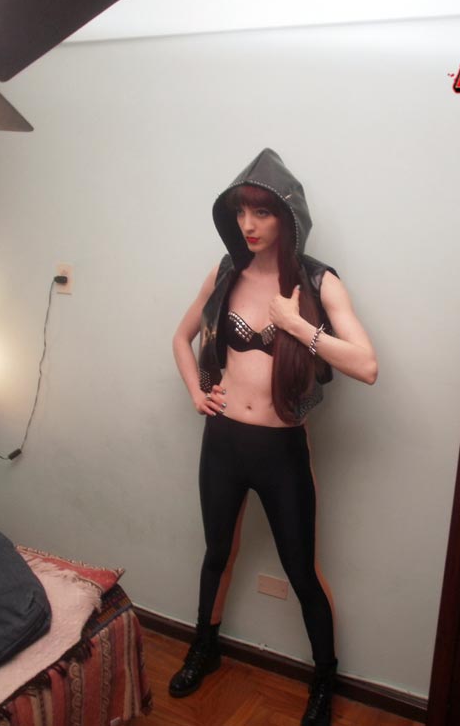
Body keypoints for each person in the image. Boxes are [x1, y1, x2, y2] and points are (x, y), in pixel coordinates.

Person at [171, 148, 377, 726]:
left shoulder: (318, 281)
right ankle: (204, 647)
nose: (249, 224)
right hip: (223, 443)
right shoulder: (225, 272)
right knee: (217, 553)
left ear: (287, 217)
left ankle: (323, 680)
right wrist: (196, 393)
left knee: (301, 571)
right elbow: (180, 338)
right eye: (241, 211)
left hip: (280, 451)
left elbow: (366, 365)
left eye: (261, 212)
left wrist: (297, 326)